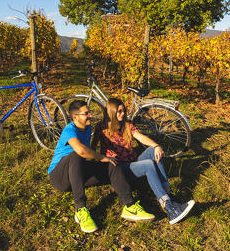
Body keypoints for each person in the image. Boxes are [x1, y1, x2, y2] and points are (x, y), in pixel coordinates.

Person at [48, 100, 155, 233]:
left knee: (112, 162)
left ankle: (129, 206)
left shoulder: (87, 127)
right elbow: (81, 150)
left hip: (77, 173)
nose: (90, 115)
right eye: (86, 113)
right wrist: (101, 157)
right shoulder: (70, 130)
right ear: (75, 117)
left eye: (90, 112)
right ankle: (80, 209)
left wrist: (106, 159)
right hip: (59, 178)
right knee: (76, 155)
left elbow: (90, 151)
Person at [92, 98, 195, 224]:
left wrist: (156, 146)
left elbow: (140, 137)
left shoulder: (126, 124)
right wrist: (102, 159)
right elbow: (92, 150)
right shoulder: (101, 128)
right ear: (111, 112)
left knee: (152, 151)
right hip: (119, 170)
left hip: (132, 162)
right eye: (119, 111)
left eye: (123, 110)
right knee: (148, 165)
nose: (123, 113)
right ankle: (170, 208)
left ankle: (167, 194)